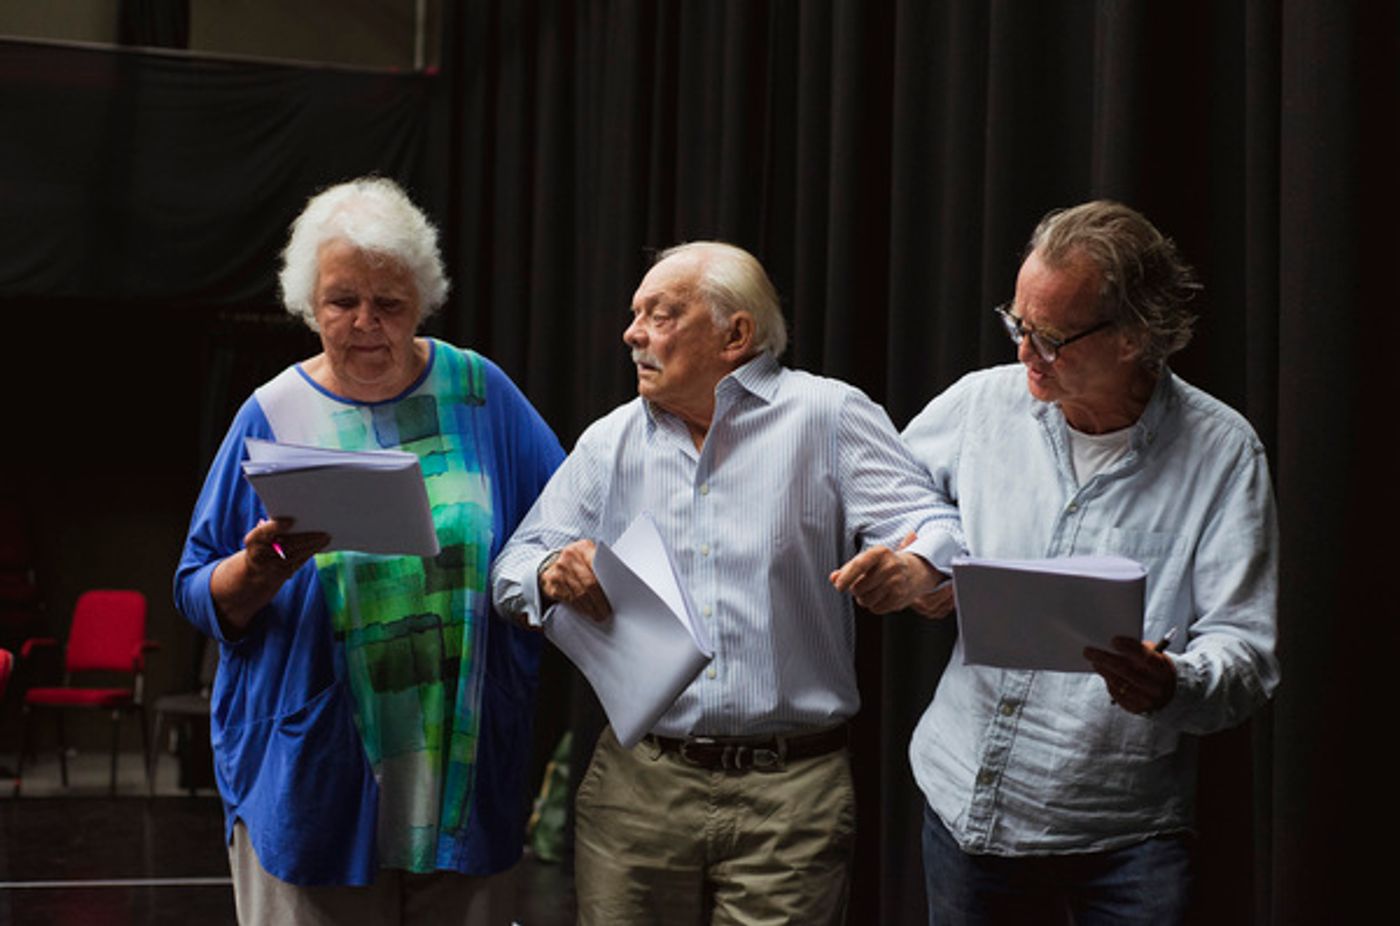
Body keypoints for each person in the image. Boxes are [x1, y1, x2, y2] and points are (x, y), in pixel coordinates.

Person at [490, 241, 953, 924]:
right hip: (640, 785)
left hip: (791, 790)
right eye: (634, 313)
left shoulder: (826, 417)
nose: (632, 332)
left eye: (660, 314)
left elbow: (934, 525)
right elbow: (512, 567)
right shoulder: (612, 441)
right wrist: (548, 573)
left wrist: (914, 566)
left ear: (735, 334)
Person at [173, 176, 564, 924]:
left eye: (388, 304)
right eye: (341, 302)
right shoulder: (274, 411)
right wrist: (258, 571)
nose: (365, 324)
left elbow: (565, 519)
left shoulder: (480, 394)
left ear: (422, 298)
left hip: (461, 773)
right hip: (313, 775)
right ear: (307, 303)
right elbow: (195, 590)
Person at [892, 200, 1280, 924]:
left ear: (1135, 338)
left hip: (1124, 836)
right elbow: (889, 491)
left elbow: (1247, 652)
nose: (1024, 354)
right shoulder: (982, 405)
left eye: (1052, 338)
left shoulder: (1223, 454)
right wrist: (928, 553)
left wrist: (1174, 682)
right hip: (964, 801)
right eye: (1018, 324)